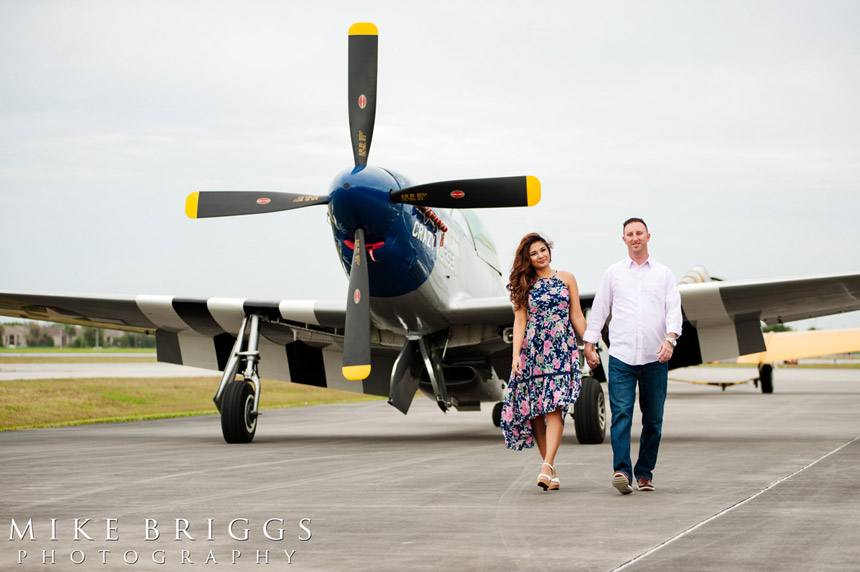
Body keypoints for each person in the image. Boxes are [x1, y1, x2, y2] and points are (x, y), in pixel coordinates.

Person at [583, 218, 682, 495]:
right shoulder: (613, 273)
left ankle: (645, 473)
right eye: (630, 234)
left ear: (648, 236)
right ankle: (622, 472)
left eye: (639, 233)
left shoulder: (664, 274)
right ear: (623, 239)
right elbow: (600, 309)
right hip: (622, 357)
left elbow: (674, 310)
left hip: (655, 358)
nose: (635, 238)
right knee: (621, 415)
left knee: (653, 419)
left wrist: (670, 339)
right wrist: (590, 342)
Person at [500, 233, 587, 491]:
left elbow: (577, 315)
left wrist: (591, 343)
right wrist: (516, 355)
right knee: (536, 412)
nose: (540, 256)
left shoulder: (567, 278)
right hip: (533, 352)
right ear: (528, 260)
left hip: (561, 350)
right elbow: (520, 322)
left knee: (554, 408)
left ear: (549, 250)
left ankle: (546, 467)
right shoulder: (524, 284)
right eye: (534, 253)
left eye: (543, 250)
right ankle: (551, 471)